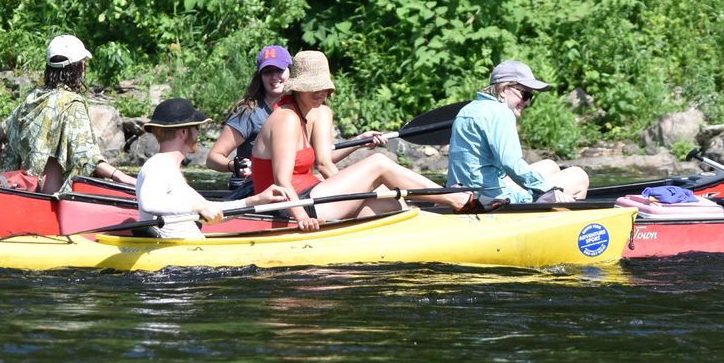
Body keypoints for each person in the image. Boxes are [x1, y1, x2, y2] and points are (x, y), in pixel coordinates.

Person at [251, 50, 471, 231]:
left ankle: (436, 224)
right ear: (298, 88)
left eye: (324, 87)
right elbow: (281, 181)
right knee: (378, 162)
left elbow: (323, 159)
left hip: (309, 196)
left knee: (390, 202)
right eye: (313, 87)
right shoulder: (286, 118)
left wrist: (357, 142)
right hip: (291, 207)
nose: (321, 93)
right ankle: (455, 198)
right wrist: (301, 218)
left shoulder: (304, 113)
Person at [133, 98, 293, 239]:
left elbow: (213, 211)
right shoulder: (158, 165)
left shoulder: (169, 169)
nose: (198, 134)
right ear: (183, 132)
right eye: (196, 128)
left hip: (189, 257)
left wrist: (255, 200)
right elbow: (149, 202)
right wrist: (197, 207)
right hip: (179, 261)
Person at [0, 34, 137, 194]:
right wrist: (124, 178)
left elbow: (5, 128)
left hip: (22, 191)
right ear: (81, 67)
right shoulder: (72, 104)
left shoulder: (34, 98)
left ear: (49, 68)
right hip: (51, 201)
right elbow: (87, 157)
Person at [446, 60, 589, 205]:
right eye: (525, 94)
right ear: (503, 89)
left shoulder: (467, 109)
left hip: (464, 191)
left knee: (549, 165)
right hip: (490, 201)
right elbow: (511, 163)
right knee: (579, 176)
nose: (527, 102)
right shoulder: (501, 112)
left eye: (530, 96)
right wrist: (549, 190)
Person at [204, 44, 291, 197]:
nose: (274, 76)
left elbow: (321, 160)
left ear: (290, 71)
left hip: (288, 184)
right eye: (267, 72)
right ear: (260, 77)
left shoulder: (298, 108)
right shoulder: (248, 112)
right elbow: (213, 159)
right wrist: (235, 166)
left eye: (279, 70)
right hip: (250, 188)